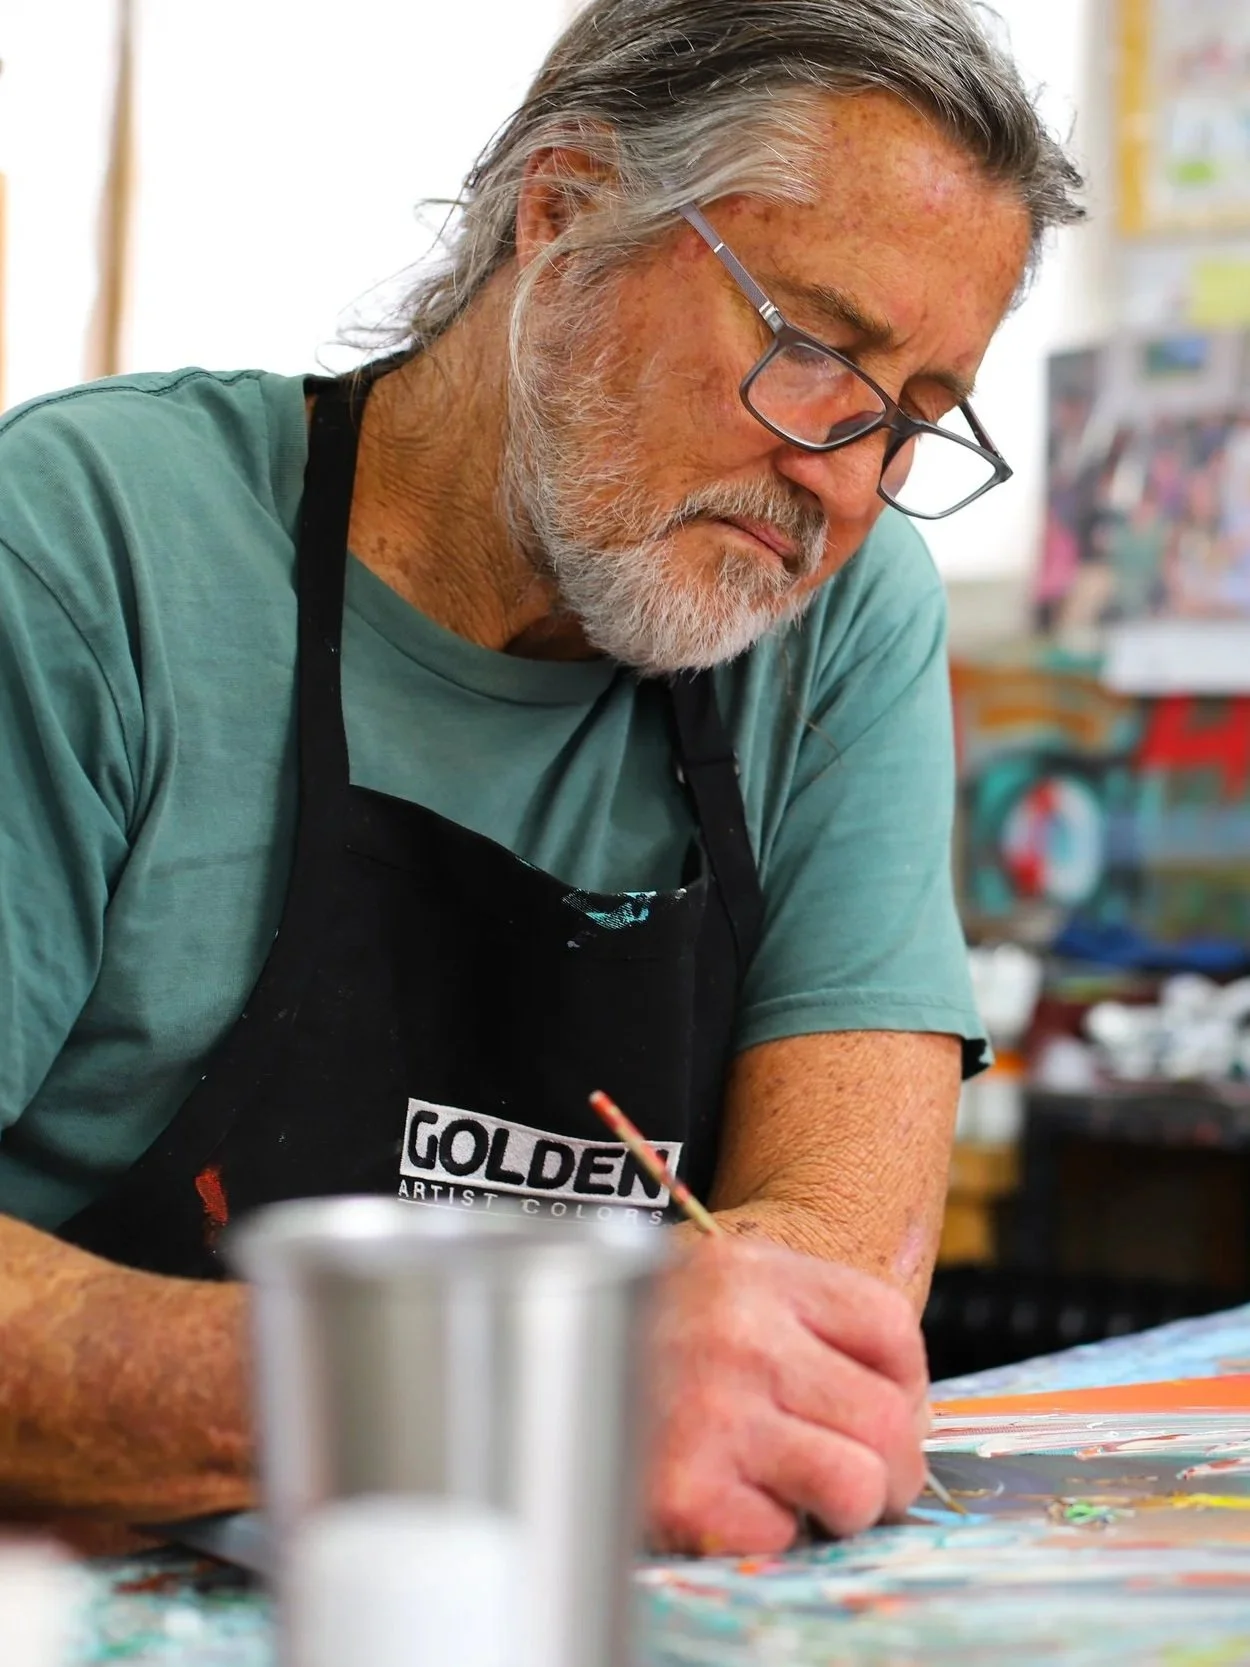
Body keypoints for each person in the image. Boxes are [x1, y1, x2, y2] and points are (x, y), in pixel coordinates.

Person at [0, 0, 1083, 1554]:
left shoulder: (834, 616)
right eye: (810, 350)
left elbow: (829, 1293)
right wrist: (498, 1377)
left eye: (913, 421)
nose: (843, 480)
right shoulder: (87, 551)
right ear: (563, 215)